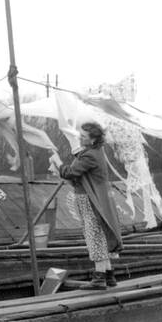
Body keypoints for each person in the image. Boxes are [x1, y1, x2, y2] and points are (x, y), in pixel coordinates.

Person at [54, 121, 123, 289]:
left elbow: (70, 173)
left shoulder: (89, 155)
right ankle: (108, 275)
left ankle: (99, 279)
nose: (79, 137)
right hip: (98, 198)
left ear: (92, 140)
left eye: (83, 136)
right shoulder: (96, 152)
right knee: (99, 234)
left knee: (94, 234)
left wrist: (57, 162)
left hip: (90, 200)